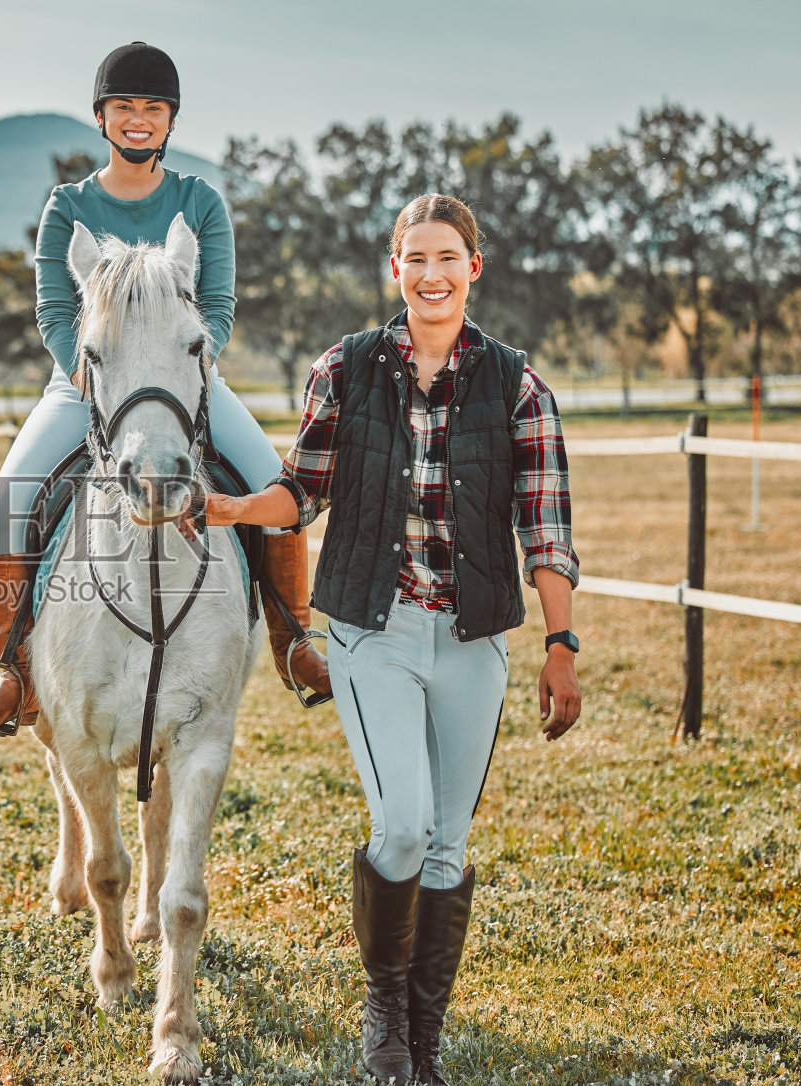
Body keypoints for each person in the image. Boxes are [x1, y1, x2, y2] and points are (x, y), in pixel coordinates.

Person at [197, 194, 583, 1085]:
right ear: (396, 268)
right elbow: (303, 490)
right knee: (403, 829)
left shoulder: (520, 386)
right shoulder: (345, 368)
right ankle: (383, 1014)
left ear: (472, 268)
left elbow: (546, 530)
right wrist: (231, 508)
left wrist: (562, 644)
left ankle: (423, 1040)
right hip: (376, 630)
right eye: (416, 258)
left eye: (448, 258)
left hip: (474, 639)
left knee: (448, 846)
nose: (432, 274)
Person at [0, 41, 332, 736]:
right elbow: (54, 310)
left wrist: (188, 371)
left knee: (271, 488)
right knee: (8, 501)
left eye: (153, 107)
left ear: (170, 120)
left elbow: (217, 306)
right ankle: (15, 671)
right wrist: (85, 373)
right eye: (124, 106)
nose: (138, 118)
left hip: (188, 383)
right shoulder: (68, 206)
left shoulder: (201, 202)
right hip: (86, 385)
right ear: (101, 117)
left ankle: (294, 640)